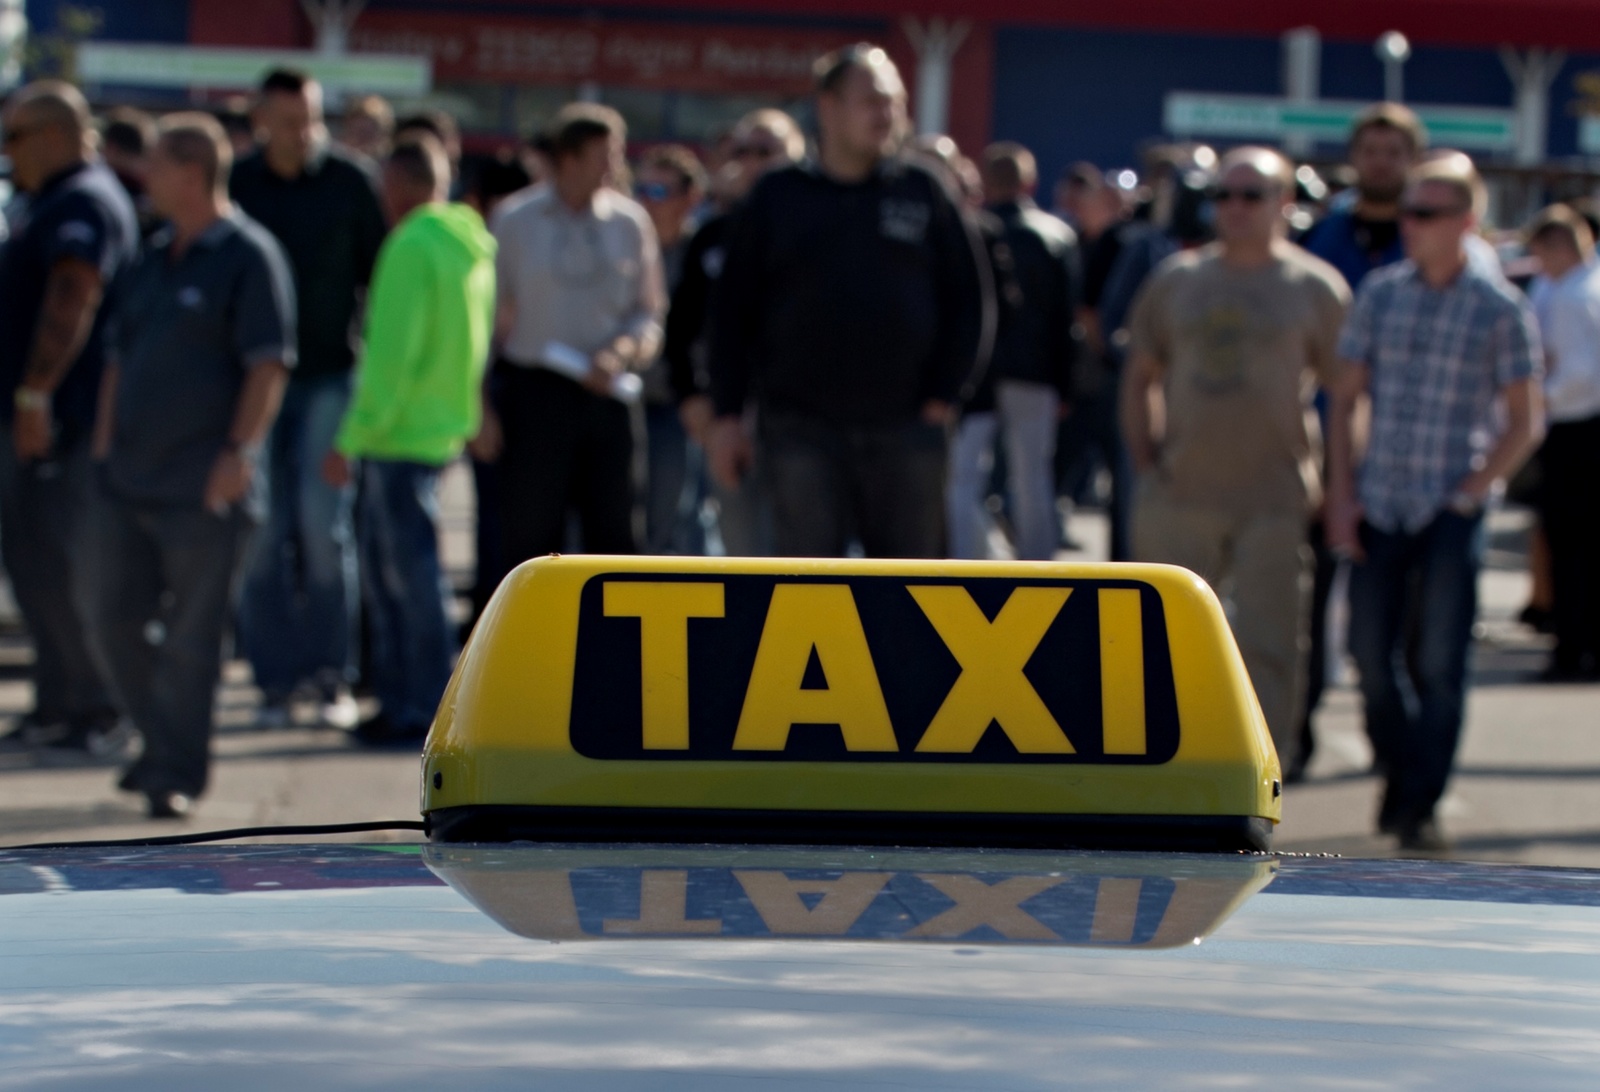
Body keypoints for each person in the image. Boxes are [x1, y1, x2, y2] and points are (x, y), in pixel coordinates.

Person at [1326, 154, 1545, 851]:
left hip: (1450, 509)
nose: (1410, 224)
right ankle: (1402, 770)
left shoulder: (1499, 307)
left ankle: (1419, 801)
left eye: (1425, 213)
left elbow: (1525, 419)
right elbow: (1345, 401)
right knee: (1369, 654)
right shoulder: (1382, 294)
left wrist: (1472, 491)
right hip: (1380, 502)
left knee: (1441, 663)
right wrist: (1341, 493)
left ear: (1465, 222)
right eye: (1407, 211)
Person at [707, 44, 991, 559]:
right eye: (873, 101)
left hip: (909, 428)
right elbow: (731, 312)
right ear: (829, 107)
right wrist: (727, 415)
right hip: (798, 431)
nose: (888, 114)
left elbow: (970, 301)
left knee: (909, 591)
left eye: (895, 102)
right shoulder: (777, 195)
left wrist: (944, 396)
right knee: (809, 588)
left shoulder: (923, 190)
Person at [91, 112, 295, 818]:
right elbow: (118, 359)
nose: (142, 177)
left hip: (205, 481)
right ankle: (159, 743)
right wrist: (102, 447)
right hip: (127, 477)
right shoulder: (152, 254)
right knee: (109, 617)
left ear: (191, 173)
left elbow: (268, 365)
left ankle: (173, 771)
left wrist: (238, 453)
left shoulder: (249, 254)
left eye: (155, 164)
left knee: (191, 638)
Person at [1121, 146, 1351, 771]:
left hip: (1274, 497)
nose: (1236, 208)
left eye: (1252, 195)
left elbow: (1347, 395)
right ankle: (1164, 770)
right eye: (1224, 195)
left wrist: (1339, 491)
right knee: (1161, 646)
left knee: (1270, 645)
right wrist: (1145, 462)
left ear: (1284, 203)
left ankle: (1261, 772)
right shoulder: (1177, 279)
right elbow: (1140, 376)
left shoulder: (1315, 287)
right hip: (1181, 493)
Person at [321, 136, 496, 745]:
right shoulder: (469, 246)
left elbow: (390, 356)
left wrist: (351, 436)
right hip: (439, 427)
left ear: (395, 186)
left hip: (395, 435)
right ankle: (413, 702)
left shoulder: (410, 246)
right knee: (415, 578)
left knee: (402, 582)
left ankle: (414, 706)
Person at [230, 69, 387, 729]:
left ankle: (331, 677)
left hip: (331, 378)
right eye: (291, 121)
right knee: (263, 533)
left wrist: (370, 396)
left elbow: (379, 286)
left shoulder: (350, 181)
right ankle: (274, 682)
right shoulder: (238, 183)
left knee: (324, 530)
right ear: (262, 121)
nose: (304, 133)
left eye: (313, 119)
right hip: (256, 382)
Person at [0, 80, 137, 752]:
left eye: (15, 137)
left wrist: (34, 395)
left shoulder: (84, 200)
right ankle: (59, 704)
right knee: (35, 564)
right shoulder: (49, 198)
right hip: (43, 416)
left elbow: (73, 296)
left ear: (55, 134)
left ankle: (98, 706)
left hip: (65, 420)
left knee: (67, 567)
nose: (7, 152)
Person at [1291, 102, 1426, 781]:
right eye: (1370, 150)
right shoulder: (1322, 238)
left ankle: (1392, 744)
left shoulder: (1429, 239)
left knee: (1395, 622)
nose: (1380, 162)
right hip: (1325, 445)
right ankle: (1297, 734)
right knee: (1309, 605)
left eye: (1393, 151)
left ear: (1411, 161)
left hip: (1407, 455)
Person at [482, 103, 664, 562]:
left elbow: (649, 312)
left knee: (616, 541)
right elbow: (484, 318)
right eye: (603, 156)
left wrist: (622, 350)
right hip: (535, 398)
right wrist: (479, 404)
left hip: (609, 395)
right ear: (568, 158)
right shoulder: (514, 220)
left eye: (617, 155)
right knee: (531, 539)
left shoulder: (630, 222)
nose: (614, 168)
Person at [666, 109, 805, 557]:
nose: (752, 161)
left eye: (766, 150)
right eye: (742, 151)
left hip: (809, 421)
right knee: (743, 553)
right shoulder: (713, 235)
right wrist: (691, 395)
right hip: (731, 415)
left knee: (812, 556)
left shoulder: (822, 230)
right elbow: (682, 326)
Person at [954, 141, 1078, 561]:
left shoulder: (970, 230)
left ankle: (963, 563)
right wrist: (1066, 384)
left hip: (977, 374)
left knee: (963, 478)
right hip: (1035, 372)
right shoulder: (1055, 235)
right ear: (1030, 182)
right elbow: (1066, 318)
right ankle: (1038, 569)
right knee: (1032, 479)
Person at [1524, 204, 1600, 680]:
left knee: (1570, 547)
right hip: (1580, 429)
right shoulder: (1573, 288)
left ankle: (1573, 648)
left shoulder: (1573, 297)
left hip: (1576, 432)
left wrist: (1530, 402)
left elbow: (1579, 375)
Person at [634, 144, 708, 555]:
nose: (647, 201)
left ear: (690, 197)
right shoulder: (623, 246)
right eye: (641, 190)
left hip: (679, 407)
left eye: (659, 191)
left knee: (675, 520)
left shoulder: (704, 252)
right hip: (624, 401)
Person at [338, 94, 393, 162]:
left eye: (368, 135)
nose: (361, 142)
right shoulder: (336, 163)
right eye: (356, 134)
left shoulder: (392, 164)